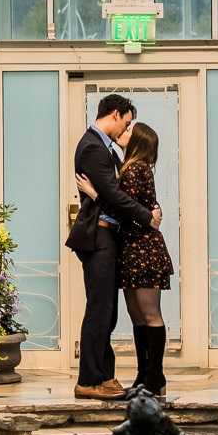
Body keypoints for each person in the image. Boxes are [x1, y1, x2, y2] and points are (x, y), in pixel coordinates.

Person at [66, 94, 160, 400]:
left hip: (108, 236)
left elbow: (115, 191)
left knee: (108, 312)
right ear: (115, 114)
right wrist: (148, 218)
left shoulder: (105, 148)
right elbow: (115, 194)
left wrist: (99, 194)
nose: (127, 129)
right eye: (127, 122)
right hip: (98, 237)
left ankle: (104, 376)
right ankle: (90, 379)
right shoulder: (93, 146)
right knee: (99, 310)